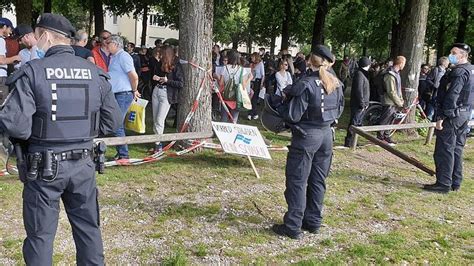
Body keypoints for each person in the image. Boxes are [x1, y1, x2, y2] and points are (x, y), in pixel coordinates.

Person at [0, 13, 121, 264]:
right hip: (84, 164)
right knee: (89, 229)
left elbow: (16, 125)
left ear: (44, 36)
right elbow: (112, 122)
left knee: (40, 236)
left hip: (44, 167)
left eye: (37, 35)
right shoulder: (95, 72)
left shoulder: (33, 71)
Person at [271, 45, 344, 239]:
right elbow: (339, 110)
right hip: (326, 136)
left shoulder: (307, 84)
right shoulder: (336, 83)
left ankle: (293, 226)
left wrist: (281, 103)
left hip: (307, 136)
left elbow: (293, 115)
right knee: (318, 180)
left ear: (311, 60)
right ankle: (313, 222)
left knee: (297, 181)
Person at [424, 43, 474, 193]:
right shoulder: (471, 70)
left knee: (444, 149)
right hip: (465, 113)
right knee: (457, 148)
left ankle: (444, 183)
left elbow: (452, 95)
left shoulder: (458, 72)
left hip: (454, 114)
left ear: (463, 55)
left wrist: (442, 116)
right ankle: (455, 181)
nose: (451, 55)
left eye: (454, 53)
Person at [106, 34, 141, 160]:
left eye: (108, 43)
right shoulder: (114, 57)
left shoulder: (123, 56)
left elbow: (133, 76)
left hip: (124, 94)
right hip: (117, 93)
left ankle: (124, 154)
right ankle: (121, 152)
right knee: (116, 123)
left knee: (117, 123)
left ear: (116, 44)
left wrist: (134, 90)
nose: (106, 45)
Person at [150, 45, 184, 152]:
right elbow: (155, 75)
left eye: (162, 54)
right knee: (155, 119)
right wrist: (155, 78)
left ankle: (158, 145)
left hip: (166, 93)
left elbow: (181, 83)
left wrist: (167, 81)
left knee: (160, 119)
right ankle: (156, 142)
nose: (159, 56)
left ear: (167, 54)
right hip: (157, 91)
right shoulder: (160, 64)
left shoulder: (176, 66)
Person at [376, 56, 406, 146]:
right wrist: (399, 102)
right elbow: (391, 91)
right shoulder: (390, 74)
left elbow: (397, 89)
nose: (404, 65)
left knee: (391, 119)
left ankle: (387, 136)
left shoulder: (396, 73)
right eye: (404, 63)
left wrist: (400, 99)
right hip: (389, 101)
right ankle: (380, 137)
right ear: (400, 63)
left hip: (394, 101)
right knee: (385, 119)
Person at [217, 50, 252, 123]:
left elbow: (220, 84)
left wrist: (216, 77)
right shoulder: (241, 69)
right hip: (237, 97)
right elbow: (243, 86)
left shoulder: (224, 68)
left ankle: (223, 133)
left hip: (226, 96)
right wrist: (249, 78)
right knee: (234, 119)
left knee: (223, 117)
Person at [344, 57, 371, 147]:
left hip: (361, 104)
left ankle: (354, 140)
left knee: (358, 122)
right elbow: (359, 90)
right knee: (354, 122)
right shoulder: (359, 74)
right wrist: (362, 103)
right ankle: (349, 141)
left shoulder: (362, 74)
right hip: (358, 104)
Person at [0, 17, 20, 104]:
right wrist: (15, 58)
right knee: (3, 105)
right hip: (1, 77)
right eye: (10, 28)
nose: (10, 32)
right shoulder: (1, 40)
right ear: (4, 27)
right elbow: (1, 61)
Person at [248, 52, 265, 120]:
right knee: (251, 97)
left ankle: (251, 113)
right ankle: (254, 113)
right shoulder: (251, 64)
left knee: (254, 98)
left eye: (252, 57)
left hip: (257, 81)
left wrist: (261, 83)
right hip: (251, 81)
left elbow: (263, 74)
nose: (251, 58)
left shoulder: (260, 64)